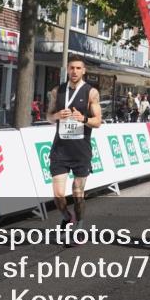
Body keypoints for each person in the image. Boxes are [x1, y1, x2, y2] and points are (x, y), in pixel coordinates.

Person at [48, 56, 102, 245]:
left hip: (80, 151)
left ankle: (79, 224)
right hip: (60, 150)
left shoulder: (91, 92)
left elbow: (98, 122)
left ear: (84, 71)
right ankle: (66, 217)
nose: (75, 71)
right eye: (72, 68)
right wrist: (56, 115)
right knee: (58, 194)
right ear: (67, 69)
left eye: (79, 68)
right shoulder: (57, 91)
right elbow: (48, 116)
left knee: (78, 191)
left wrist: (84, 119)